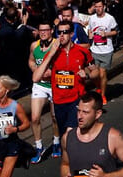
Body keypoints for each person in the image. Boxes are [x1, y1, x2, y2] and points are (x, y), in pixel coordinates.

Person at [32, 20, 92, 163]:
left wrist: (87, 74)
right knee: (66, 135)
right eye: (60, 32)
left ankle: (78, 164)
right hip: (59, 100)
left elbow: (96, 72)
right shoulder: (53, 53)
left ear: (71, 34)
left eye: (65, 32)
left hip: (76, 99)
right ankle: (70, 165)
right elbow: (35, 77)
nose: (62, 35)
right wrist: (51, 53)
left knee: (70, 135)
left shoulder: (82, 51)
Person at [61, 91, 123, 177]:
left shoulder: (113, 137)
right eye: (79, 111)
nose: (80, 116)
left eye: (85, 112)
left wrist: (106, 176)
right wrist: (65, 174)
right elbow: (65, 165)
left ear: (98, 114)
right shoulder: (68, 137)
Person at [0, 75, 31, 177]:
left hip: (11, 144)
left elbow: (26, 123)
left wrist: (15, 129)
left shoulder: (15, 106)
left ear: (7, 90)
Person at [27, 21, 58, 164]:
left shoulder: (56, 45)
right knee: (34, 117)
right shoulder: (34, 45)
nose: (43, 33)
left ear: (51, 31)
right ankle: (39, 147)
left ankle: (56, 142)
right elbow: (31, 61)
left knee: (54, 117)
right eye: (41, 30)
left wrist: (52, 72)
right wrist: (36, 71)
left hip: (54, 85)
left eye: (46, 30)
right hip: (39, 85)